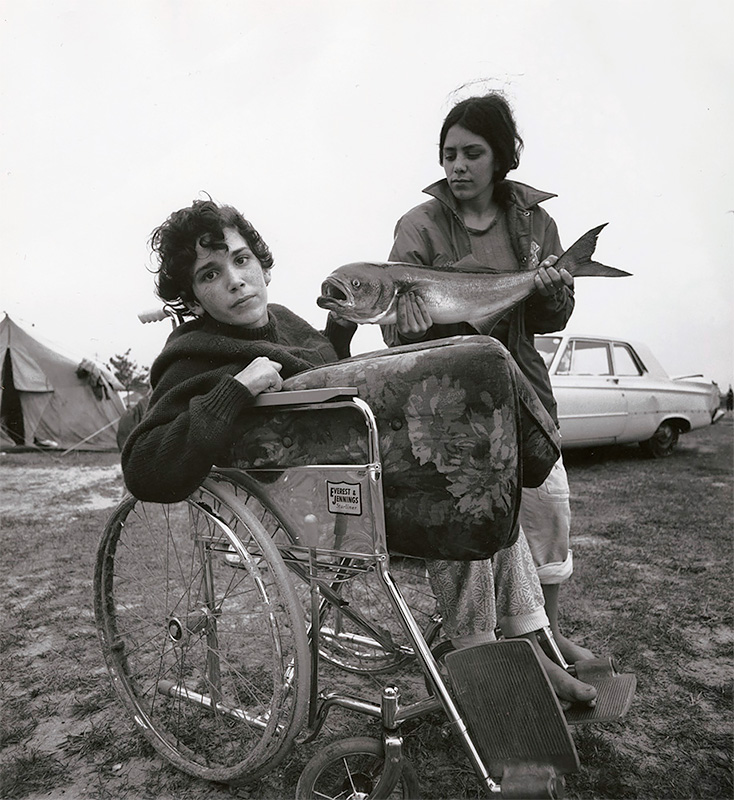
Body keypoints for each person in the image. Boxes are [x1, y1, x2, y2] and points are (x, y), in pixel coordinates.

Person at [122, 197, 595, 707]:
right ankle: (490, 656)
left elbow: (327, 394)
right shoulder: (191, 356)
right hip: (301, 511)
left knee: (476, 476)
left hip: (351, 486)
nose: (235, 279)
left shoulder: (285, 323)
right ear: (192, 298)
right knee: (453, 490)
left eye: (241, 260)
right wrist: (235, 389)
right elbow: (145, 466)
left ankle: (528, 634)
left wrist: (341, 332)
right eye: (210, 274)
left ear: (262, 266)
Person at [382, 91, 597, 675]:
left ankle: (547, 638)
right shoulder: (417, 225)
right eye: (448, 153)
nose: (457, 166)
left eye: (472, 153)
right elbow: (397, 338)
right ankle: (506, 653)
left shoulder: (537, 224)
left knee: (548, 510)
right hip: (448, 405)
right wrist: (405, 330)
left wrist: (554, 294)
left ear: (501, 157)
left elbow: (550, 319)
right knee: (481, 531)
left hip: (522, 388)